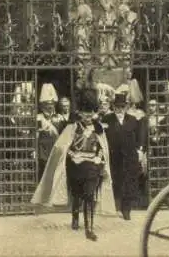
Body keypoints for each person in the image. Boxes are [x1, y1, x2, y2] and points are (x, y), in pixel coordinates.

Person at [31, 87, 116, 241]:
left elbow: (104, 148)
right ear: (80, 113)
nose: (88, 115)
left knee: (90, 195)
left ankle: (89, 228)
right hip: (76, 167)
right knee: (77, 195)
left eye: (91, 111)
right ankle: (75, 216)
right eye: (85, 112)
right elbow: (62, 148)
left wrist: (100, 159)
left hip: (93, 166)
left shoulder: (99, 129)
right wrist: (72, 156)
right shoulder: (72, 128)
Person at [102, 93, 143, 220]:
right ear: (113, 107)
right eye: (117, 107)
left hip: (129, 157)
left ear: (126, 107)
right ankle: (116, 206)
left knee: (129, 182)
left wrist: (140, 150)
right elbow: (102, 136)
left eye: (122, 107)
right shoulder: (107, 119)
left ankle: (127, 210)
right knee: (116, 181)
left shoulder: (132, 120)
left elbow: (139, 137)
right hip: (114, 156)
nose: (119, 109)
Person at [36, 83, 61, 181]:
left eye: (51, 104)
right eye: (47, 104)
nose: (49, 106)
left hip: (55, 148)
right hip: (43, 150)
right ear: (42, 106)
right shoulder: (38, 118)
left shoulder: (58, 118)